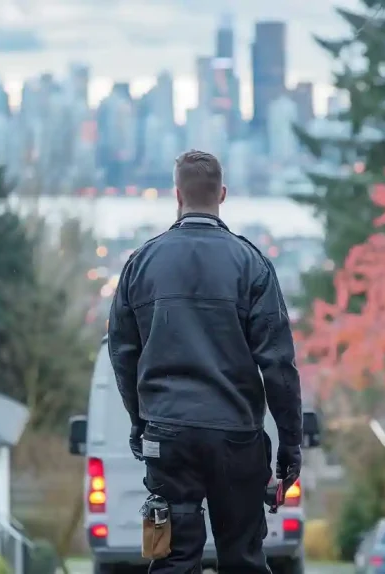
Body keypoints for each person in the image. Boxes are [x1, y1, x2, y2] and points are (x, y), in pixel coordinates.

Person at [108, 150, 303, 574]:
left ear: (176, 195)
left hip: (169, 436)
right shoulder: (252, 264)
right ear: (223, 195)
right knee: (244, 559)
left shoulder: (140, 264)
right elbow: (279, 365)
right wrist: (290, 443)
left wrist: (141, 422)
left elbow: (123, 355)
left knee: (172, 559)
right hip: (236, 437)